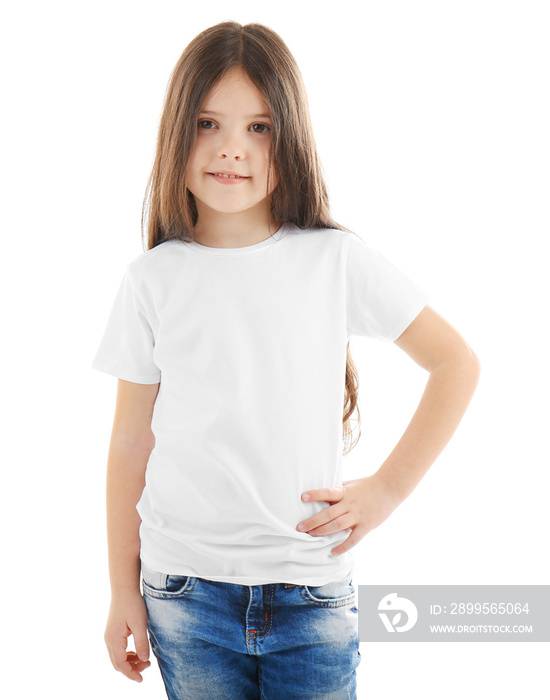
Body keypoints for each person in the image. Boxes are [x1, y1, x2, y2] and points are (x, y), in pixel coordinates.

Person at [91, 21, 480, 700]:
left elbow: (456, 364)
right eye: (208, 123)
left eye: (260, 128)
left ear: (289, 137)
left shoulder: (333, 260)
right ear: (177, 132)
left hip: (310, 591)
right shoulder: (151, 280)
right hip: (185, 594)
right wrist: (123, 590)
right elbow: (130, 442)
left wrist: (384, 491)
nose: (232, 149)